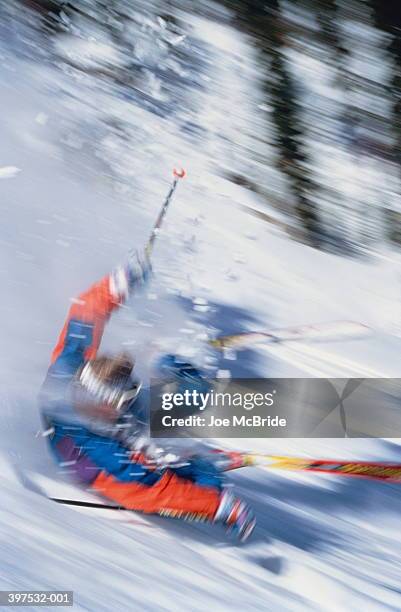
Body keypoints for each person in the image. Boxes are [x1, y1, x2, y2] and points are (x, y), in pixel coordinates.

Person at [40, 251, 255, 541]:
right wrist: (219, 507)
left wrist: (120, 283)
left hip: (108, 428)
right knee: (206, 480)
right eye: (121, 403)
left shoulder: (69, 367)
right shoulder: (94, 452)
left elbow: (85, 313)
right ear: (102, 403)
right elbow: (151, 493)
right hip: (114, 466)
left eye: (128, 398)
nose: (126, 406)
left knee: (196, 393)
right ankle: (186, 459)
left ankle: (165, 361)